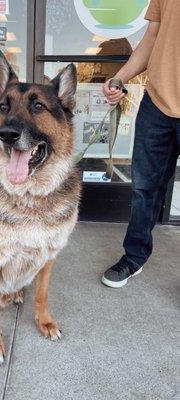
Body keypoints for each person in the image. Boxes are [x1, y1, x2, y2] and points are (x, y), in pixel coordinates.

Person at [102, 0, 180, 288]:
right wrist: (120, 77)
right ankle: (134, 258)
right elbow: (151, 38)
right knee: (144, 188)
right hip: (156, 104)